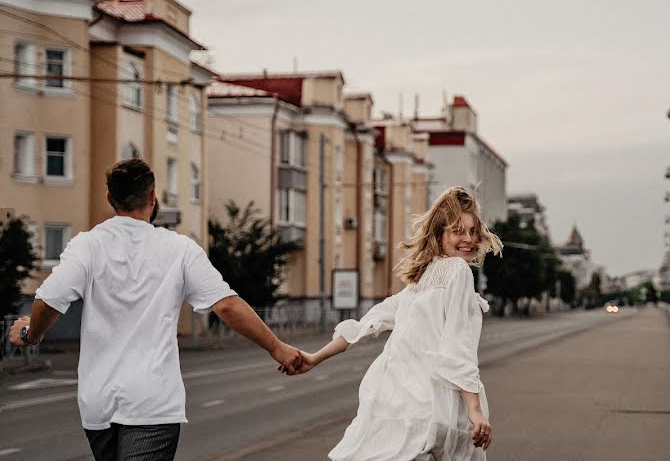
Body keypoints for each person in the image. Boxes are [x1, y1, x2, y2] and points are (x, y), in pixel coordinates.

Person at [7, 158, 303, 461]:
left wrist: (31, 335)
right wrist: (277, 348)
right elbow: (226, 304)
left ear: (110, 199)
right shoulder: (180, 249)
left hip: (98, 403)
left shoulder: (88, 245)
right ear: (152, 197)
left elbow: (48, 300)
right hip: (152, 403)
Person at [297, 186, 503, 460]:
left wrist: (315, 357)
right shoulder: (458, 272)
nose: (468, 239)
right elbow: (458, 346)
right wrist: (475, 411)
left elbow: (369, 322)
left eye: (472, 231)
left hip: (398, 402)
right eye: (458, 231)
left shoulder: (421, 280)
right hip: (434, 405)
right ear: (439, 233)